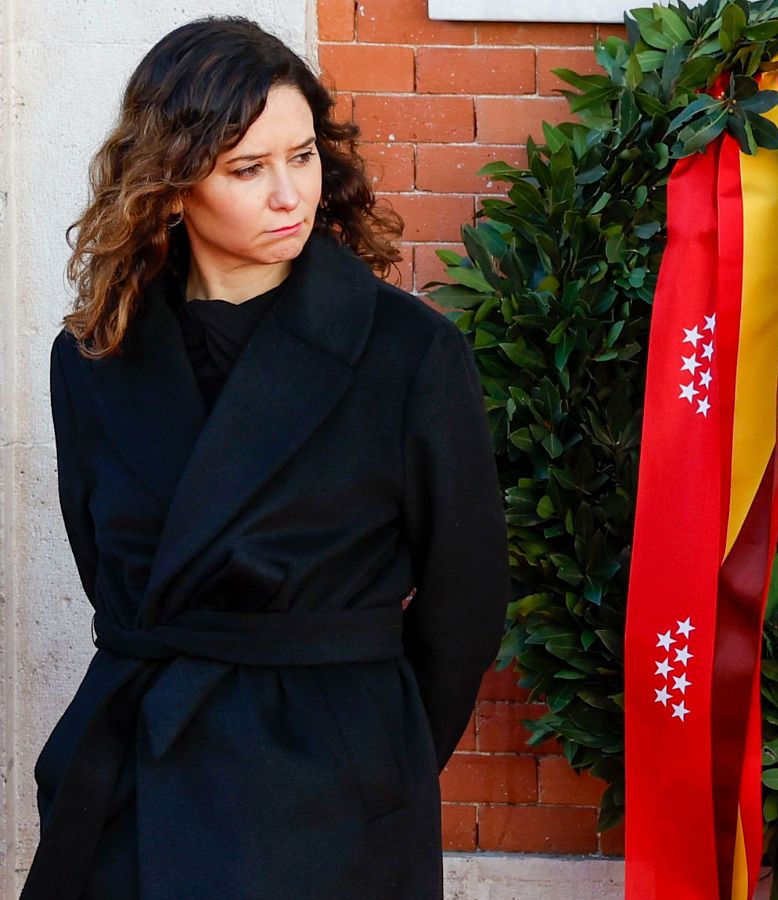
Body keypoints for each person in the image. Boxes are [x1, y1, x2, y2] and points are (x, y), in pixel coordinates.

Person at [29, 17, 508, 899]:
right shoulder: (94, 356)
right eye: (248, 169)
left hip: (330, 796)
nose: (291, 194)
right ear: (171, 188)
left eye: (303, 156)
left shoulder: (409, 354)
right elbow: (111, 572)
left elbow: (465, 602)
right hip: (145, 769)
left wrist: (377, 754)